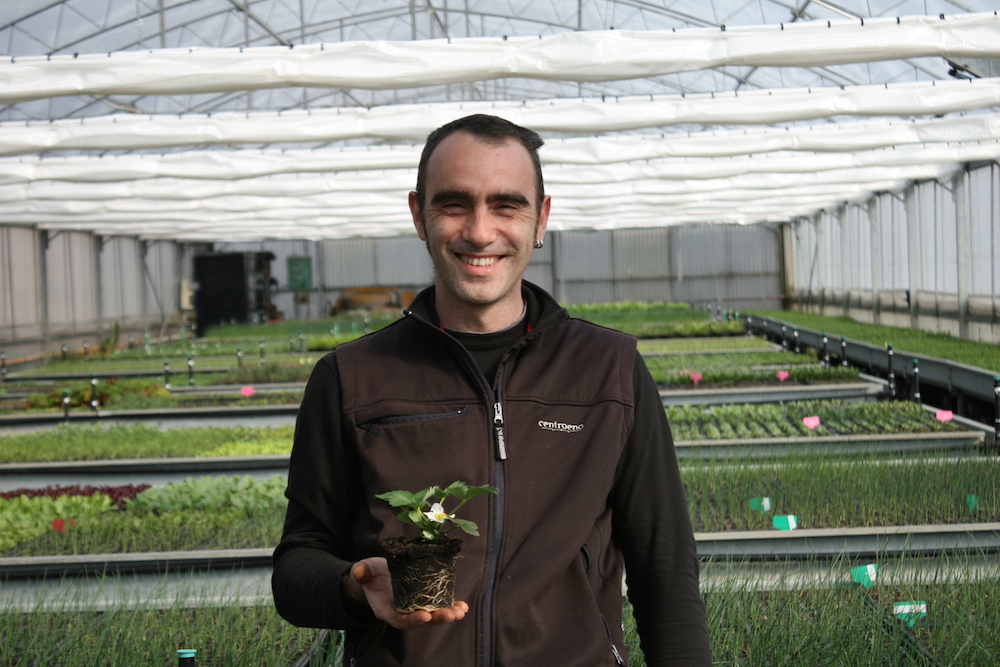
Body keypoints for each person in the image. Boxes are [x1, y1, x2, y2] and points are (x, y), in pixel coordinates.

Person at [272, 114, 711, 666]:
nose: (480, 232)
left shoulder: (608, 369)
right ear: (418, 215)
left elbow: (664, 565)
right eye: (454, 204)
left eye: (507, 205)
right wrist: (355, 587)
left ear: (541, 218)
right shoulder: (352, 376)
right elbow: (295, 569)